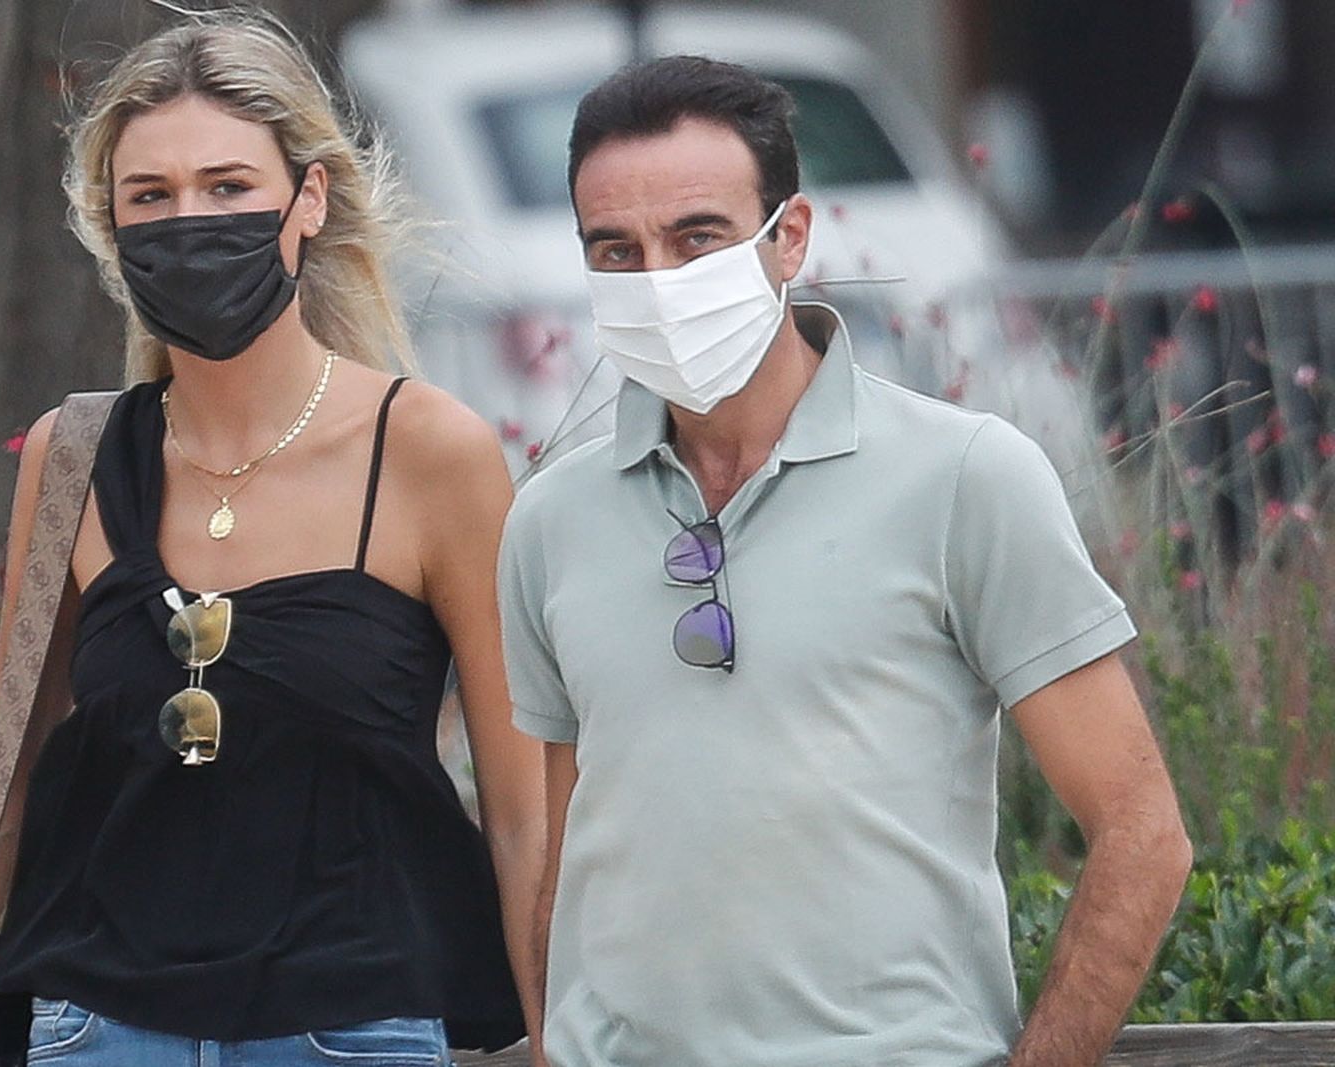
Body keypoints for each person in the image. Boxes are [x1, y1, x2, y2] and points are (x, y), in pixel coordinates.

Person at [0, 14, 544, 1066]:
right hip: (94, 1029)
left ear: (306, 201)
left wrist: (555, 1037)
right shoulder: (74, 456)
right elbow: (0, 782)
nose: (190, 223)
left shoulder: (429, 451)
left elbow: (521, 816)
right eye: (151, 197)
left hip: (350, 1032)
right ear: (111, 227)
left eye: (227, 188)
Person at [499, 56, 1193, 1067]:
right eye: (614, 249)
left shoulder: (965, 475)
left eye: (696, 236)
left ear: (789, 238)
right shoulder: (548, 517)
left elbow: (1141, 829)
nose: (655, 280)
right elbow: (568, 857)